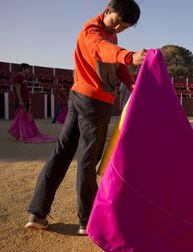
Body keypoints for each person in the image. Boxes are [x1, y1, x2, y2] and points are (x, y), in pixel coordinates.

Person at [25, 0, 147, 235]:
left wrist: (132, 82)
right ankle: (87, 220)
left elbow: (116, 66)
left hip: (79, 97)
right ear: (108, 9)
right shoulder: (92, 30)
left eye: (124, 27)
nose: (118, 28)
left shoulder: (110, 33)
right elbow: (102, 49)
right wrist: (130, 57)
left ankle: (37, 213)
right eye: (117, 22)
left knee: (61, 153)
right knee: (88, 159)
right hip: (94, 102)